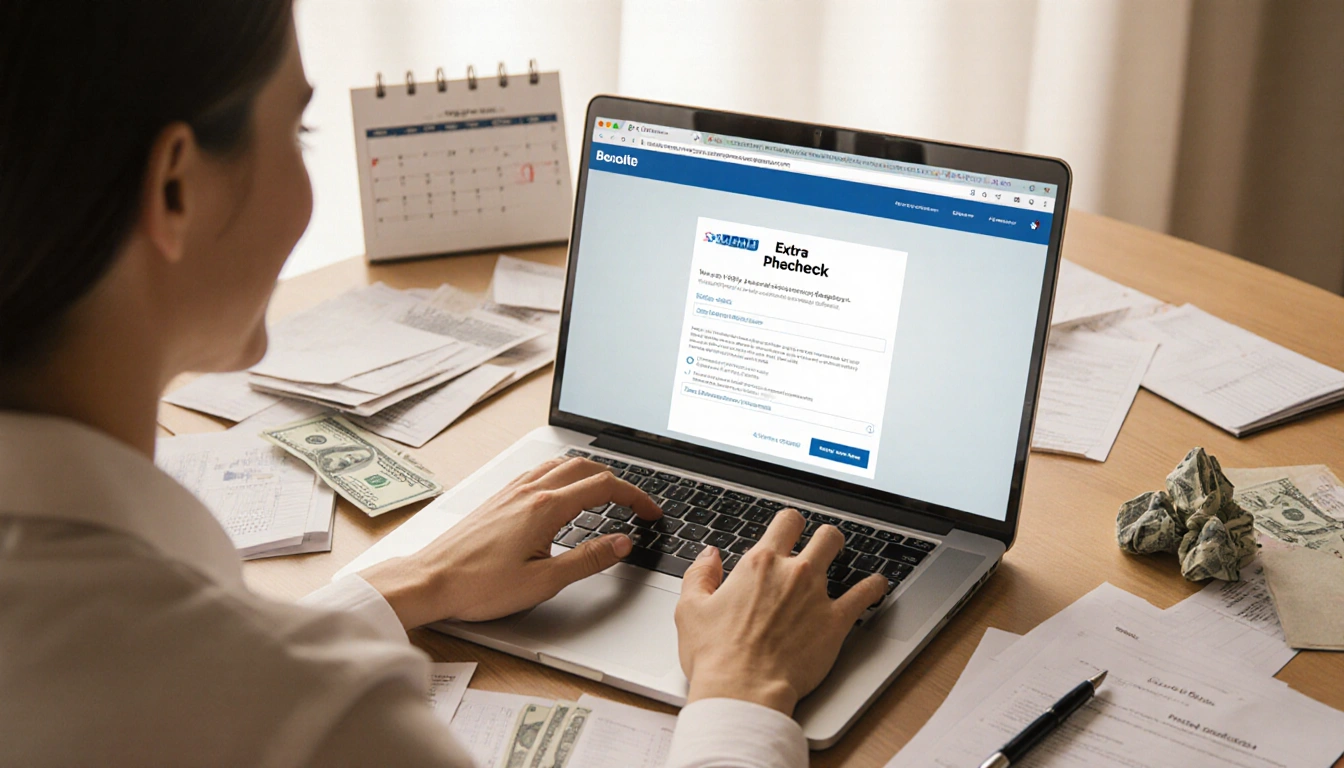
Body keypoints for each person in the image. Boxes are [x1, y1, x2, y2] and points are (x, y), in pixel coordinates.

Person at [0, 2, 889, 766]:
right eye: (298, 130)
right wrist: (743, 690)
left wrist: (406, 586)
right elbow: (239, 693)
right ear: (176, 188)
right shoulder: (303, 716)